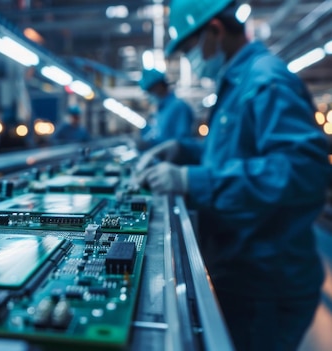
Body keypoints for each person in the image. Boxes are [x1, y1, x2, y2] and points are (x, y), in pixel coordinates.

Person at [135, 1, 330, 350]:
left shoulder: (266, 81)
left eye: (188, 48)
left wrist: (190, 180)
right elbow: (234, 153)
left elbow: (301, 172)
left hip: (265, 282)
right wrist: (183, 150)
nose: (189, 60)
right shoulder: (238, 82)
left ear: (215, 30)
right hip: (244, 267)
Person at [137, 68, 195, 150]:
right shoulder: (160, 111)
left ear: (159, 86)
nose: (149, 95)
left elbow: (181, 143)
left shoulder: (179, 107)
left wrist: (153, 144)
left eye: (150, 91)